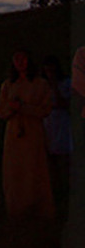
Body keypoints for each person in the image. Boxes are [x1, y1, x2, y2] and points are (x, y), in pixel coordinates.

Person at [0, 49, 54, 219]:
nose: (20, 62)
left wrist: (24, 108)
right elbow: (0, 110)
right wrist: (11, 109)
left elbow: (45, 109)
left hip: (32, 132)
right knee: (15, 171)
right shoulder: (8, 85)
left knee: (34, 169)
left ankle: (38, 208)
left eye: (23, 59)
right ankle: (16, 209)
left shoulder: (40, 84)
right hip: (14, 133)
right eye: (17, 59)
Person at [40, 55, 72, 217]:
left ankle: (67, 193)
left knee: (64, 160)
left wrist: (54, 86)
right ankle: (54, 194)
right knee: (49, 160)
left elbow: (65, 104)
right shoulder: (41, 85)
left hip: (62, 122)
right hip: (48, 122)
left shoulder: (65, 83)